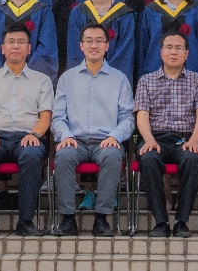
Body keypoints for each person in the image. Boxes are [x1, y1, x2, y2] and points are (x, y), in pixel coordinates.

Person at [0, 22, 55, 237]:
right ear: (2, 48)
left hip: (28, 136)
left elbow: (46, 116)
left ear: (29, 48)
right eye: (11, 42)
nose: (16, 46)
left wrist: (34, 135)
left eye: (21, 42)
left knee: (32, 156)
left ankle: (25, 221)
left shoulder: (42, 80)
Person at [51, 22, 135, 238]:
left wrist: (114, 136)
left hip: (106, 140)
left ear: (107, 46)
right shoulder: (67, 78)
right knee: (63, 156)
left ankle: (102, 218)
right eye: (89, 41)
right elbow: (58, 117)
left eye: (99, 41)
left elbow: (128, 118)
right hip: (75, 140)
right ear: (81, 45)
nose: (94, 45)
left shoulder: (119, 79)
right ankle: (67, 218)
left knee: (112, 156)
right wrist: (65, 135)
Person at [133, 31, 198, 237]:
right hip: (155, 137)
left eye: (178, 48)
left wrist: (194, 140)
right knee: (148, 159)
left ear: (186, 54)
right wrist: (149, 140)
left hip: (184, 139)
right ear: (161, 52)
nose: (173, 52)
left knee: (193, 160)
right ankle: (160, 221)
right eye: (169, 47)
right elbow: (142, 115)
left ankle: (181, 221)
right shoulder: (146, 81)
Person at [66, 0, 139, 80]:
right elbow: (75, 51)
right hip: (83, 80)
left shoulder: (124, 14)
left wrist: (107, 77)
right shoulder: (78, 12)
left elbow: (125, 54)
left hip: (114, 81)